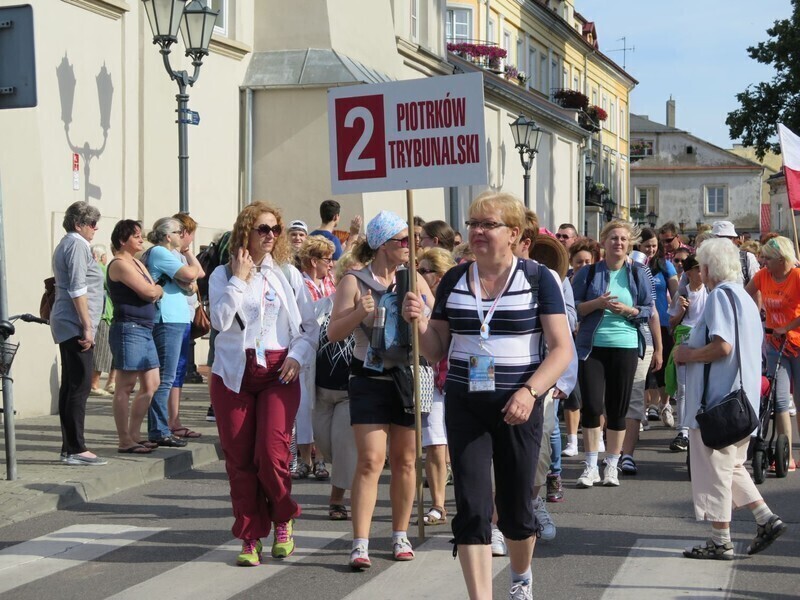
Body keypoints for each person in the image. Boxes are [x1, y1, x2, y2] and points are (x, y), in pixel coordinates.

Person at [403, 192, 573, 600]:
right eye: (473, 223)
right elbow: (436, 349)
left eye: (488, 224)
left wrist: (531, 393)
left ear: (513, 233)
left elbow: (561, 348)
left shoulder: (537, 277)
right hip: (466, 404)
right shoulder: (455, 279)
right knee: (474, 507)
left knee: (515, 508)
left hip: (519, 405)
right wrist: (421, 321)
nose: (477, 231)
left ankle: (520, 579)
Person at [209, 201, 319, 566]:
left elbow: (309, 327)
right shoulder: (222, 276)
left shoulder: (287, 274)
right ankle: (250, 536)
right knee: (239, 461)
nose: (271, 236)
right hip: (234, 373)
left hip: (278, 370)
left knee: (271, 456)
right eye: (263, 229)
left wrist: (297, 356)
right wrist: (239, 279)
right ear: (246, 232)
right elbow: (221, 321)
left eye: (275, 229)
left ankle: (283, 516)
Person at [327, 210, 434, 570]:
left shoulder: (414, 280)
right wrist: (359, 312)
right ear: (381, 244)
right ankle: (360, 542)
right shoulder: (353, 281)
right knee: (371, 459)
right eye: (403, 241)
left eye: (411, 240)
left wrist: (420, 314)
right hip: (368, 376)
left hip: (407, 375)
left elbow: (434, 333)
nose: (410, 246)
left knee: (406, 460)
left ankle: (399, 533)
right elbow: (333, 333)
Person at [675, 238, 787, 560]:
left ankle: (720, 540)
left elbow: (723, 347)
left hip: (719, 402)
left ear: (708, 268)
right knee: (732, 466)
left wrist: (688, 354)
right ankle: (766, 519)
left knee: (716, 471)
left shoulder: (719, 298)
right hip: (741, 400)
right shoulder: (744, 298)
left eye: (701, 266)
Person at [571, 220, 654, 489]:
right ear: (603, 243)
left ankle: (612, 466)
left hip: (626, 343)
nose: (618, 243)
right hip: (592, 346)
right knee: (593, 406)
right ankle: (591, 465)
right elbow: (573, 308)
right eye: (613, 238)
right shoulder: (589, 272)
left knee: (618, 408)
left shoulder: (638, 272)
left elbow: (647, 309)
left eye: (623, 239)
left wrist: (628, 311)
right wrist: (598, 304)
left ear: (629, 244)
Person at [50, 201, 107, 466]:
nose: (95, 228)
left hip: (72, 322)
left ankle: (70, 446)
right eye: (91, 223)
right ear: (78, 224)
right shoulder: (75, 244)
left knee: (73, 384)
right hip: (74, 324)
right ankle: (75, 448)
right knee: (80, 384)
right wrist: (86, 325)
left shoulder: (74, 244)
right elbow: (77, 287)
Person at [106, 220, 163, 454]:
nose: (141, 239)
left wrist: (155, 291)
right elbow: (150, 291)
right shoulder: (119, 263)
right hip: (128, 328)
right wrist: (156, 291)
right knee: (125, 386)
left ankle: (135, 434)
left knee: (152, 384)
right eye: (136, 236)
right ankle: (124, 440)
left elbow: (153, 289)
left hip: (145, 328)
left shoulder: (137, 263)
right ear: (123, 240)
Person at [145, 217, 202, 448]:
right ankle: (159, 430)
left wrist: (188, 279)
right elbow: (191, 276)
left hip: (177, 318)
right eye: (179, 232)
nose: (183, 235)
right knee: (165, 378)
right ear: (168, 236)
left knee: (167, 377)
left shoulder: (171, 256)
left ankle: (161, 428)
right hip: (166, 319)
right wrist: (187, 278)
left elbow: (194, 281)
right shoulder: (160, 252)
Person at [746, 236, 800, 471]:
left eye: (767, 257)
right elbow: (744, 297)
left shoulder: (797, 277)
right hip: (774, 344)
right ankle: (784, 454)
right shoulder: (763, 276)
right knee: (778, 400)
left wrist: (787, 327)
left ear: (781, 259)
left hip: (797, 343)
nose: (763, 261)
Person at [314, 251, 361, 521]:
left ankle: (337, 499)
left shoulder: (367, 311)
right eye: (348, 277)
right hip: (320, 389)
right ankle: (347, 480)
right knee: (325, 443)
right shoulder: (321, 306)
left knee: (343, 445)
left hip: (349, 391)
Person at [416, 247, 456, 527]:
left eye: (424, 270)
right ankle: (438, 505)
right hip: (431, 378)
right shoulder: (420, 301)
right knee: (434, 443)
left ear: (439, 275)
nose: (418, 275)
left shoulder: (456, 298)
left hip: (459, 378)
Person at [294, 235, 337, 480]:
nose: (331, 265)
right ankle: (304, 460)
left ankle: (320, 459)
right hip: (304, 346)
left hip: (327, 351)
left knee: (319, 405)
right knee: (303, 405)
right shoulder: (300, 283)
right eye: (327, 260)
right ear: (313, 261)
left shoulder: (331, 282)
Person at [167, 212, 205, 439]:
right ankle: (170, 422)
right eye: (189, 234)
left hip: (184, 318)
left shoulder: (180, 254)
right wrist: (186, 251)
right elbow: (194, 277)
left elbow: (199, 273)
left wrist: (188, 251)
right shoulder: (170, 255)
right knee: (172, 373)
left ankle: (174, 420)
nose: (189, 239)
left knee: (178, 372)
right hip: (174, 319)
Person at [639, 228, 679, 428]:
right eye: (647, 246)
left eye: (654, 245)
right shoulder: (634, 265)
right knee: (644, 370)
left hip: (663, 323)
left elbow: (676, 292)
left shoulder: (665, 266)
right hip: (641, 323)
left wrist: (677, 317)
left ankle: (664, 405)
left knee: (663, 370)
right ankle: (643, 410)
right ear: (639, 246)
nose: (651, 249)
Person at [666, 254, 706, 452]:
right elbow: (671, 323)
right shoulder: (682, 293)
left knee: (703, 385)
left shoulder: (711, 291)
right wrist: (681, 310)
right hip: (685, 339)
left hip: (705, 341)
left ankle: (700, 426)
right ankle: (682, 432)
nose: (702, 272)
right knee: (683, 387)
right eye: (698, 269)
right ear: (689, 273)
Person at [89, 243, 116, 398]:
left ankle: (98, 383)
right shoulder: (102, 269)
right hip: (103, 314)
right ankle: (94, 384)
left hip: (99, 314)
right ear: (102, 257)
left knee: (101, 351)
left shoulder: (90, 268)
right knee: (101, 351)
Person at [712, 220, 759, 285]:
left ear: (734, 240)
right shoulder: (708, 261)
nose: (723, 241)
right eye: (720, 238)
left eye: (728, 238)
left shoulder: (748, 258)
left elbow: (756, 287)